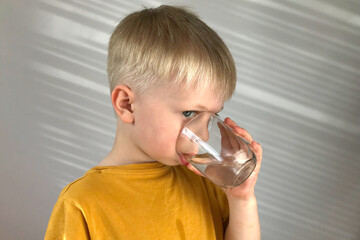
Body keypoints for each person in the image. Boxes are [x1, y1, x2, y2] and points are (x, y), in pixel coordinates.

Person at [45, 5, 263, 240]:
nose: (205, 136)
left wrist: (242, 199)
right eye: (189, 113)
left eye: (211, 117)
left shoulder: (207, 184)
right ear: (127, 105)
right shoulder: (83, 203)